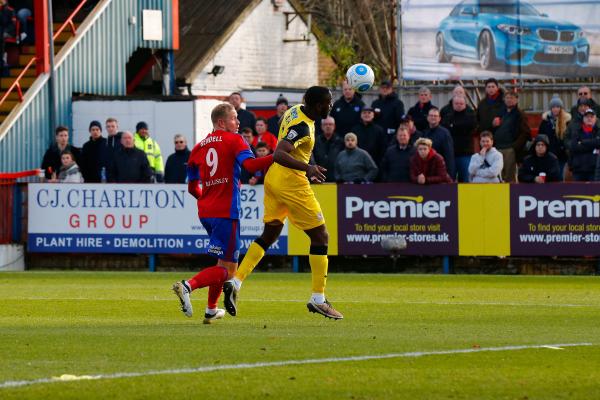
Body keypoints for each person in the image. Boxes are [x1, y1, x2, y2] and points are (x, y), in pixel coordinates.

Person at [223, 86, 344, 320]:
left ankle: (235, 282)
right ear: (317, 105)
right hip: (292, 183)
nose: (330, 106)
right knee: (321, 237)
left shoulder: (296, 111)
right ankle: (318, 298)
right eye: (328, 103)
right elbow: (279, 152)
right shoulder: (302, 127)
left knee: (269, 235)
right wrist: (307, 168)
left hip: (273, 179)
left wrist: (307, 163)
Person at [171, 103, 273, 324]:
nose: (238, 122)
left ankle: (211, 310)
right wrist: (278, 157)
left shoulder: (198, 147)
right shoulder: (234, 140)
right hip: (226, 212)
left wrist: (206, 199)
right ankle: (188, 285)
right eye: (234, 118)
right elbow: (252, 166)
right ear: (221, 122)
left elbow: (191, 187)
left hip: (206, 212)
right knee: (228, 272)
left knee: (223, 264)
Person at [492, 91, 530, 182]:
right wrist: (493, 125)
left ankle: (512, 195)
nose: (509, 100)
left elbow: (525, 133)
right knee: (498, 175)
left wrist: (514, 147)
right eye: (507, 98)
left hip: (509, 149)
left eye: (512, 98)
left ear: (517, 100)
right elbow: (494, 128)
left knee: (509, 176)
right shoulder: (500, 112)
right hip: (497, 148)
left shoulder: (520, 114)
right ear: (504, 99)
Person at [441, 95, 477, 182]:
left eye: (461, 103)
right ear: (452, 104)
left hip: (465, 154)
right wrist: (458, 127)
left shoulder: (471, 115)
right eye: (456, 103)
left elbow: (470, 127)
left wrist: (453, 126)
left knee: (466, 179)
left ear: (465, 104)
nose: (459, 105)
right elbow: (445, 129)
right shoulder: (447, 116)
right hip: (450, 155)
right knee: (449, 180)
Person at [538, 95, 570, 178]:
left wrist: (563, 148)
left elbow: (568, 137)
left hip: (561, 155)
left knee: (559, 176)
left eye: (558, 107)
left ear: (561, 108)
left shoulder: (567, 121)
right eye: (553, 107)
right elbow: (541, 137)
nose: (555, 109)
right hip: (548, 154)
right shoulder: (545, 121)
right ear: (551, 108)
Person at [419, 107, 456, 178]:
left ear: (439, 118)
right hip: (427, 171)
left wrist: (450, 174)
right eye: (431, 115)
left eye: (435, 116)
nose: (433, 117)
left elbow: (449, 155)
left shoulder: (445, 133)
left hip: (440, 171)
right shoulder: (424, 133)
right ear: (427, 118)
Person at [568, 109, 600, 182]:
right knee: (576, 192)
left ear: (595, 119)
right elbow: (574, 147)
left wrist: (582, 142)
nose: (589, 118)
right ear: (583, 119)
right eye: (587, 116)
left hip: (593, 170)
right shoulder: (577, 131)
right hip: (578, 169)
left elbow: (598, 142)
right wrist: (593, 148)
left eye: (591, 117)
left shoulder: (598, 131)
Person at [313, 116, 344, 182]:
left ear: (334, 126)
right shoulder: (315, 141)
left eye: (330, 124)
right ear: (321, 127)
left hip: (336, 179)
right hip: (319, 178)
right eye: (325, 124)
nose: (328, 126)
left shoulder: (341, 142)